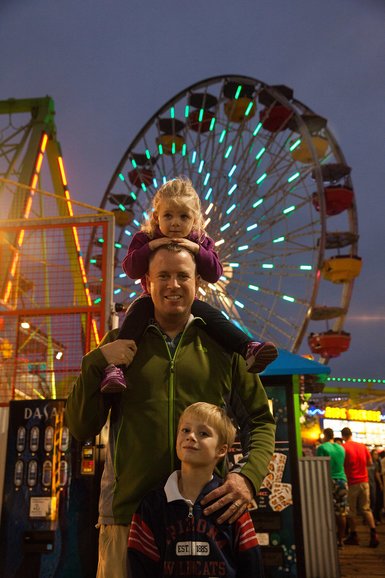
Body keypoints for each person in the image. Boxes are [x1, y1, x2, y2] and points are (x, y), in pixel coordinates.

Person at [65, 243, 276, 578]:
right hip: (126, 515)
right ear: (147, 283)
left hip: (205, 521)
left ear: (198, 283)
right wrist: (96, 361)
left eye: (183, 276)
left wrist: (247, 478)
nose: (173, 285)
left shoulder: (225, 347)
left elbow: (261, 421)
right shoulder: (120, 344)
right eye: (163, 275)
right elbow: (80, 427)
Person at [100, 177, 277, 392]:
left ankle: (247, 347)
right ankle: (115, 368)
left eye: (183, 216)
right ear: (156, 217)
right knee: (135, 314)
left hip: (189, 301)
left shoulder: (201, 240)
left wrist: (196, 249)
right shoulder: (145, 237)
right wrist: (152, 245)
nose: (175, 222)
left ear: (194, 219)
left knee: (213, 317)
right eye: (168, 216)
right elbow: (131, 269)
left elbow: (214, 273)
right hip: (152, 298)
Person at [127, 402, 265, 577]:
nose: (191, 436)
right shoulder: (152, 505)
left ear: (222, 450)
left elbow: (252, 565)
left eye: (203, 433)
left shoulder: (231, 502)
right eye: (185, 430)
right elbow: (140, 565)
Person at [341, 427, 379, 547]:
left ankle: (354, 535)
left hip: (352, 482)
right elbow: (370, 463)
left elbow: (342, 464)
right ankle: (374, 534)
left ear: (343, 436)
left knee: (351, 511)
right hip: (365, 481)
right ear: (351, 434)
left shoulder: (344, 447)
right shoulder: (362, 446)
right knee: (366, 509)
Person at [316, 428, 348, 548]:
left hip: (328, 480)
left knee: (327, 511)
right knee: (342, 512)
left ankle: (329, 539)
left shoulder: (322, 448)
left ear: (324, 436)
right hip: (342, 481)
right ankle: (341, 539)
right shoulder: (341, 448)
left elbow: (319, 466)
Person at [370, 449, 384, 524]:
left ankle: (374, 518)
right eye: (374, 454)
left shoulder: (376, 463)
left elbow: (377, 473)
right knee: (371, 501)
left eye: (377, 454)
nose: (376, 456)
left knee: (375, 501)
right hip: (369, 484)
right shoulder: (368, 463)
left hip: (374, 485)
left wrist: (380, 483)